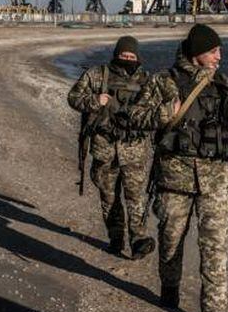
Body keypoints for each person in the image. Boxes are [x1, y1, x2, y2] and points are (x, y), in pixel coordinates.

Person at [151, 24, 228, 312]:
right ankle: (170, 285)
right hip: (174, 176)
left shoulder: (225, 85)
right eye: (213, 50)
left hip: (215, 179)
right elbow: (137, 116)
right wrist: (167, 112)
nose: (220, 56)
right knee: (170, 238)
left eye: (220, 50)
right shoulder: (164, 82)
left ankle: (214, 310)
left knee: (215, 244)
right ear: (197, 53)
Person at [67, 35, 169, 260]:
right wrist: (96, 101)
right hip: (105, 149)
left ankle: (139, 240)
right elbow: (73, 97)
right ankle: (116, 237)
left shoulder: (147, 81)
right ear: (116, 55)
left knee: (136, 197)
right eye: (123, 55)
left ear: (138, 57)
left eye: (132, 56)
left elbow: (160, 112)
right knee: (109, 198)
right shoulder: (97, 75)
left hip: (135, 150)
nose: (128, 59)